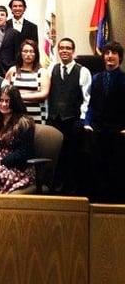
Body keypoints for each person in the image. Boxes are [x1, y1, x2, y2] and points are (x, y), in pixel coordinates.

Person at [47, 38, 91, 195]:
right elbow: (47, 96)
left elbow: (86, 98)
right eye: (61, 48)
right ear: (58, 51)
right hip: (54, 120)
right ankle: (56, 191)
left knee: (71, 157)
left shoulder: (83, 71)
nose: (64, 51)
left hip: (73, 121)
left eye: (68, 48)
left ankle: (71, 192)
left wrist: (82, 119)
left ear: (73, 51)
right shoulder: (52, 68)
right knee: (56, 157)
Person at [84, 41, 125, 203]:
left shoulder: (123, 79)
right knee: (97, 169)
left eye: (113, 53)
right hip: (97, 131)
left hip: (118, 132)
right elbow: (90, 104)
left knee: (115, 170)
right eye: (107, 53)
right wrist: (87, 123)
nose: (109, 56)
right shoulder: (96, 79)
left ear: (119, 58)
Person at [5, 39, 50, 124]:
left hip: (36, 116)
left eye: (31, 51)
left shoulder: (42, 72)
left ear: (36, 54)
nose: (28, 54)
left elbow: (44, 94)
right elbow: (5, 91)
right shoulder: (13, 70)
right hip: (15, 115)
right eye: (25, 51)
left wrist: (19, 96)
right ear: (20, 53)